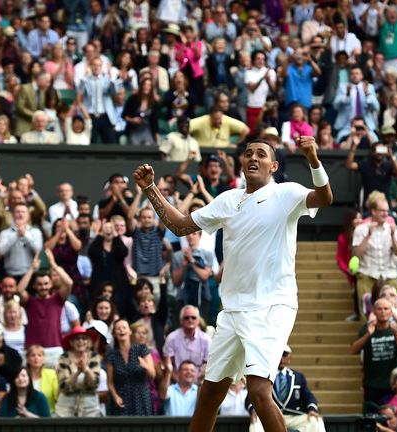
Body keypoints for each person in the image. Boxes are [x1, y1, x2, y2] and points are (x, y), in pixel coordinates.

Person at [133, 135, 332, 432]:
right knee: (210, 393)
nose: (253, 157)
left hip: (272, 306)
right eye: (248, 153)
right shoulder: (228, 199)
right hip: (233, 310)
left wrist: (313, 159)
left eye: (261, 154)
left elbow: (325, 198)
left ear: (273, 165)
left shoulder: (286, 193)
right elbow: (179, 225)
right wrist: (150, 189)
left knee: (259, 391)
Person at [247, 345, 325, 432]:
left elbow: (309, 396)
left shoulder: (298, 377)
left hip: (294, 416)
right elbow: (250, 398)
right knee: (256, 422)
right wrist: (254, 411)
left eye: (284, 355)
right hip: (271, 415)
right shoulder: (263, 377)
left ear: (289, 358)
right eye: (277, 354)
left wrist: (312, 409)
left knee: (315, 420)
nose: (280, 358)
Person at [16, 249, 72, 367]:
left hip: (54, 348)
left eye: (46, 284)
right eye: (40, 284)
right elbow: (19, 290)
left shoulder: (57, 299)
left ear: (51, 284)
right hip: (33, 349)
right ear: (35, 286)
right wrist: (32, 269)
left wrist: (54, 265)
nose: (43, 287)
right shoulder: (30, 301)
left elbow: (69, 283)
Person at [350, 299, 397, 406]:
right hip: (372, 384)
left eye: (386, 309)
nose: (383, 311)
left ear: (391, 312)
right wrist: (368, 335)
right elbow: (353, 350)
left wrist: (396, 335)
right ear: (374, 312)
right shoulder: (367, 328)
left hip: (393, 384)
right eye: (379, 309)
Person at [106, 319, 155, 416]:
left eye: (124, 328)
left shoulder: (141, 349)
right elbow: (110, 382)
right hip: (121, 397)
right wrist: (115, 396)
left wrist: (145, 366)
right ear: (114, 334)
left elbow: (152, 375)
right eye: (118, 329)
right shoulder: (112, 354)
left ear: (130, 331)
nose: (121, 330)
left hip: (141, 396)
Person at [55, 326, 101, 417]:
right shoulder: (64, 358)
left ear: (88, 342)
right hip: (66, 407)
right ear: (71, 342)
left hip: (90, 406)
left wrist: (86, 369)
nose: (80, 341)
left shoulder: (94, 356)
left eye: (84, 338)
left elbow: (95, 383)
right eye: (77, 339)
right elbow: (63, 386)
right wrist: (78, 372)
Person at [25, 345, 59, 414]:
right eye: (33, 355)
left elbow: (57, 396)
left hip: (48, 413)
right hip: (26, 413)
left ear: (43, 359)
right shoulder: (23, 374)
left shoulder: (51, 374)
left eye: (39, 355)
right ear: (28, 359)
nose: (36, 358)